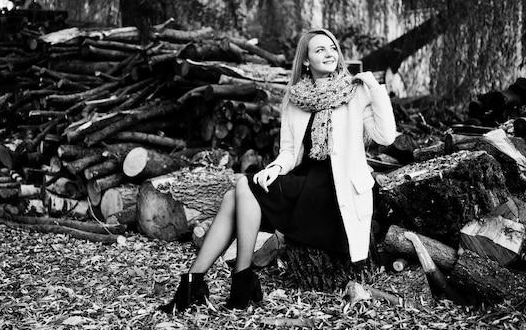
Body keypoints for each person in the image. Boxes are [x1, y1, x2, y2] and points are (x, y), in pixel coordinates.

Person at [159, 28, 397, 313]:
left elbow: (386, 137)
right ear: (306, 61)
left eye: (332, 47)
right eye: (320, 49)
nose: (329, 53)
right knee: (234, 196)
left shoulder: (355, 90)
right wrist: (273, 169)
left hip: (336, 194)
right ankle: (199, 280)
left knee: (243, 187)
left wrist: (375, 88)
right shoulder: (296, 98)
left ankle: (232, 279)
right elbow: (288, 153)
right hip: (306, 183)